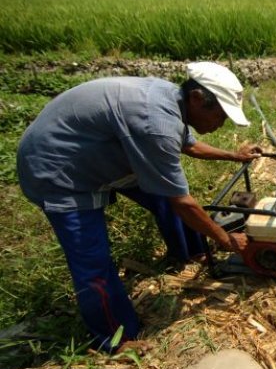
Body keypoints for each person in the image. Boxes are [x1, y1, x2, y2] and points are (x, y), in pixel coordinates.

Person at [16, 62, 262, 352]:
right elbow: (182, 202)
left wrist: (233, 156)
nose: (221, 124)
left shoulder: (172, 100)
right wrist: (225, 238)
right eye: (221, 115)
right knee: (93, 262)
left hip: (103, 149)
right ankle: (116, 341)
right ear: (197, 98)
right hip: (57, 167)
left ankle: (191, 254)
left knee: (164, 194)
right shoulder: (154, 123)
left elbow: (189, 146)